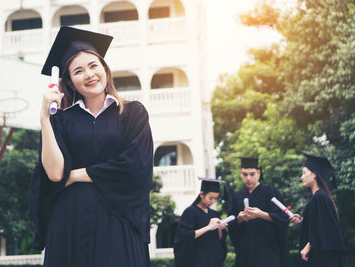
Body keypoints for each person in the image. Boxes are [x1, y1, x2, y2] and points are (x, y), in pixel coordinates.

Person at [28, 26, 154, 267]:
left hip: (118, 219)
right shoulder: (61, 120)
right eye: (78, 71)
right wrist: (45, 117)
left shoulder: (131, 113)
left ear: (105, 70)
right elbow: (54, 173)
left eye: (93, 66)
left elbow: (136, 166)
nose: (89, 74)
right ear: (71, 83)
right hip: (70, 221)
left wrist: (74, 175)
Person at [228, 157, 291, 267]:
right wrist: (239, 219)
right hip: (245, 254)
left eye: (252, 174)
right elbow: (231, 224)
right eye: (245, 174)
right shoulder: (236, 196)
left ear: (258, 173)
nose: (248, 178)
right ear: (240, 173)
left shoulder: (269, 191)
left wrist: (260, 214)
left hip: (267, 251)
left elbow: (283, 218)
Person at [290, 153, 345, 266]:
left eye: (304, 173)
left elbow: (327, 228)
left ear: (314, 174)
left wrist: (308, 245)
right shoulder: (318, 197)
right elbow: (318, 224)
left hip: (323, 258)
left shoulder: (320, 197)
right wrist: (303, 221)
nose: (302, 177)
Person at [173, 177, 228, 267]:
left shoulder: (214, 214)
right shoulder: (190, 212)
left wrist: (220, 229)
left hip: (213, 261)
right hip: (196, 261)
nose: (213, 201)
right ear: (202, 194)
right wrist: (208, 227)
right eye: (211, 198)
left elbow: (220, 241)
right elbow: (185, 237)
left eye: (216, 198)